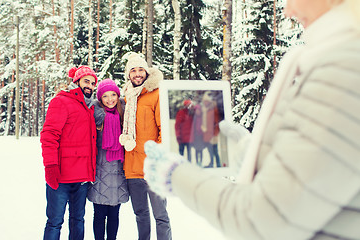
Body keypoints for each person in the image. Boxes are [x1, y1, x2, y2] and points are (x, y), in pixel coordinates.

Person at [143, 0, 360, 240]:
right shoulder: (338, 61)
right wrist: (247, 152)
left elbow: (263, 219)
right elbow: (320, 176)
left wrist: (175, 176)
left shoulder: (342, 71)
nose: (288, 11)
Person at [40, 65, 98, 240]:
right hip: (61, 176)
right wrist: (50, 166)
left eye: (93, 83)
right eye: (86, 81)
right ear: (76, 81)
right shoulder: (62, 101)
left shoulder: (90, 107)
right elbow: (49, 135)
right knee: (55, 222)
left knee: (78, 220)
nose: (90, 85)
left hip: (81, 178)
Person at [119, 52, 172, 240]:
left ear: (147, 72)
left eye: (141, 69)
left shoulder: (156, 94)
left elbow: (163, 129)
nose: (137, 73)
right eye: (133, 70)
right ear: (128, 75)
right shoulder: (126, 97)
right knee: (141, 215)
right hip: (132, 167)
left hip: (152, 167)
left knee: (161, 216)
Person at [87, 79, 129, 240]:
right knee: (99, 214)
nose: (110, 99)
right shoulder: (95, 116)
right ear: (100, 98)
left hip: (118, 170)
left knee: (114, 213)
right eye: (105, 96)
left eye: (113, 95)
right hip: (100, 169)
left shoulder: (124, 115)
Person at [200, 91, 221, 168]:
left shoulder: (213, 110)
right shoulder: (206, 110)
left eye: (206, 101)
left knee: (215, 151)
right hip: (207, 134)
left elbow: (216, 123)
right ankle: (211, 163)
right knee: (210, 150)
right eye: (204, 101)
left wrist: (215, 134)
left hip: (213, 135)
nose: (205, 103)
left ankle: (218, 164)